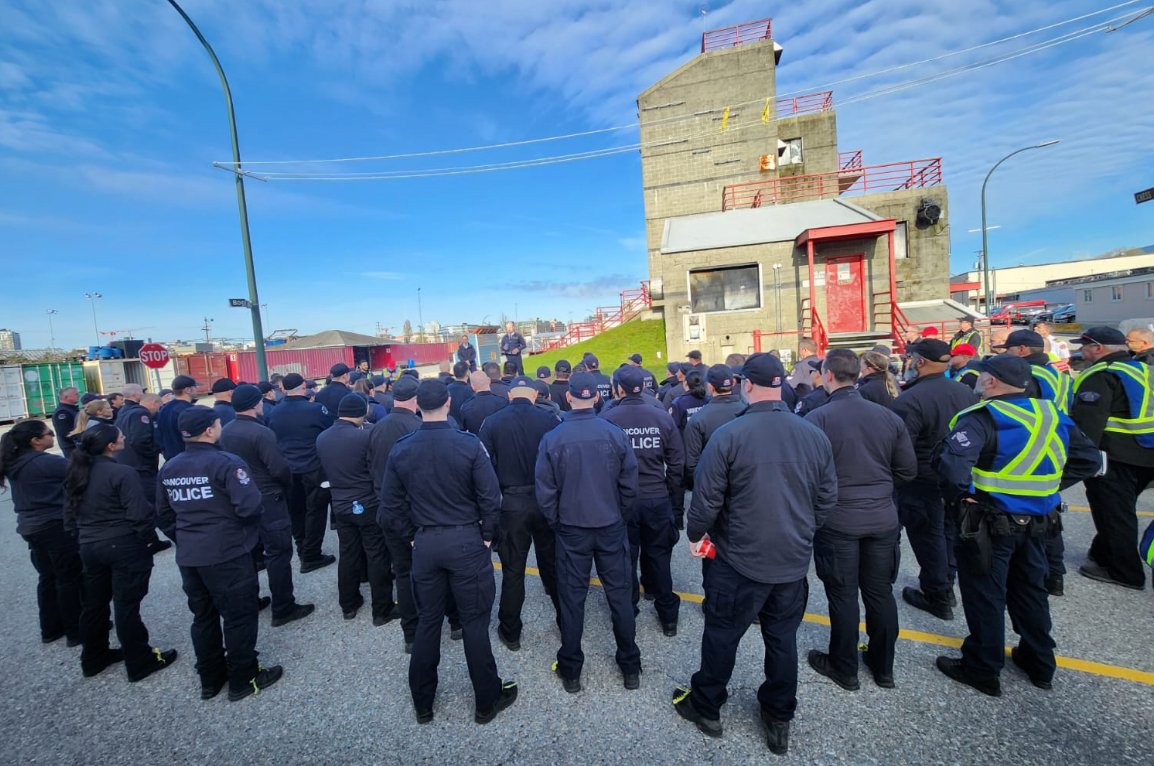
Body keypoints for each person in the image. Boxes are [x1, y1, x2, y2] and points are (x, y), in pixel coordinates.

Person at [674, 353, 836, 755]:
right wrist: (802, 531)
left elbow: (705, 500)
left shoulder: (729, 435)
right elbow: (827, 496)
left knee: (721, 634)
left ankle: (707, 705)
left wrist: (695, 534)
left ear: (746, 384)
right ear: (779, 384)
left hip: (738, 559)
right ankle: (779, 715)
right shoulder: (812, 433)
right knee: (782, 639)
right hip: (791, 560)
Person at [934, 355, 1100, 696]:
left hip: (989, 520)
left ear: (991, 381)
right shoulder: (1051, 413)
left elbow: (952, 469)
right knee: (1030, 589)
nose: (978, 379)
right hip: (1040, 520)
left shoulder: (982, 417)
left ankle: (982, 666)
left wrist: (963, 497)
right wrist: (1047, 486)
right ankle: (1039, 661)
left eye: (982, 375)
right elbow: (1089, 460)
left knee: (985, 593)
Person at [379, 380, 518, 725]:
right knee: (474, 622)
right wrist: (487, 537)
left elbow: (390, 507)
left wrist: (413, 537)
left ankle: (422, 703)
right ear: (449, 402)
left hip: (427, 543)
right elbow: (491, 498)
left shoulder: (403, 448)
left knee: (428, 620)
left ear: (416, 406)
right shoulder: (467, 444)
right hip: (465, 541)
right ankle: (486, 700)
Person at [804, 350, 917, 690]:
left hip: (838, 520)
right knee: (880, 593)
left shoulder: (817, 419)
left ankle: (845, 667)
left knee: (842, 594)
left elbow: (808, 476)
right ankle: (884, 667)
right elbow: (907, 470)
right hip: (882, 518)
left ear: (827, 375)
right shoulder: (888, 417)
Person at [157, 407, 283, 701]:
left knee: (203, 617)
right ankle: (244, 677)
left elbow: (162, 514)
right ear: (211, 430)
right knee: (239, 616)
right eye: (217, 424)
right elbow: (250, 507)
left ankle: (210, 678)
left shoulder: (171, 466)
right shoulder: (226, 463)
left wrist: (186, 536)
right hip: (226, 552)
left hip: (190, 555)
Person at [535, 372, 641, 693]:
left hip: (572, 529)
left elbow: (545, 491)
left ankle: (571, 671)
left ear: (569, 397)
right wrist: (617, 515)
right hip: (609, 526)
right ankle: (630, 666)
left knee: (571, 599)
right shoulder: (614, 434)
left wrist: (558, 521)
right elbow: (629, 485)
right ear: (596, 397)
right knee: (620, 596)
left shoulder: (553, 438)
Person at [63, 425, 176, 682]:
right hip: (122, 545)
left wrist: (79, 537)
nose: (124, 436)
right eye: (119, 436)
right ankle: (139, 661)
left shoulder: (76, 470)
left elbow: (69, 510)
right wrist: (149, 540)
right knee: (127, 607)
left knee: (94, 603)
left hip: (90, 546)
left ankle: (93, 657)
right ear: (110, 446)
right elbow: (139, 512)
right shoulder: (122, 472)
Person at [891, 338, 979, 620]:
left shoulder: (910, 399)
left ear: (919, 362)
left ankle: (936, 593)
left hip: (922, 480)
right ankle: (946, 585)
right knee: (949, 533)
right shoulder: (964, 392)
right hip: (956, 478)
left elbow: (899, 446)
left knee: (928, 537)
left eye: (910, 358)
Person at [218, 385, 314, 628]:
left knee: (250, 551)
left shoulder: (226, 431)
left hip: (240, 499)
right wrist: (287, 486)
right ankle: (284, 607)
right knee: (279, 553)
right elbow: (278, 467)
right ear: (254, 404)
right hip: (268, 498)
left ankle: (250, 599)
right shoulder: (261, 433)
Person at [478, 376, 562, 651]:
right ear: (535, 395)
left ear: (510, 395)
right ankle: (566, 621)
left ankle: (511, 631)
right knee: (552, 566)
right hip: (544, 501)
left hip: (511, 503)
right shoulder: (550, 420)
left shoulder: (492, 422)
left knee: (513, 570)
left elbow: (485, 471)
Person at [602, 366, 684, 636]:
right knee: (659, 556)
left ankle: (629, 608)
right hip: (656, 497)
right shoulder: (661, 416)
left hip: (623, 500)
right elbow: (676, 464)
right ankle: (667, 615)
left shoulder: (608, 418)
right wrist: (674, 503)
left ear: (618, 389)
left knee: (626, 557)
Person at [1070, 327, 1154, 590]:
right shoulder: (1141, 369)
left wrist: (1079, 461)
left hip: (1117, 456)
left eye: (1084, 346)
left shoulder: (1100, 376)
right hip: (1147, 452)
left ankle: (1125, 572)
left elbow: (1088, 426)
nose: (1081, 351)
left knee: (1115, 512)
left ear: (1098, 348)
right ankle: (1102, 552)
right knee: (1117, 510)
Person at [990, 329, 1073, 595]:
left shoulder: (1026, 377)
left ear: (1023, 350)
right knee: (1049, 514)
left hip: (1026, 449)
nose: (1006, 353)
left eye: (1009, 349)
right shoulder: (1057, 374)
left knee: (1034, 522)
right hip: (1055, 445)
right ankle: (1055, 575)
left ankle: (1040, 576)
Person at [316, 394, 399, 626]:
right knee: (376, 554)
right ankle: (381, 609)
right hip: (367, 503)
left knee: (349, 553)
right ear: (361, 412)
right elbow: (375, 468)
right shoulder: (364, 436)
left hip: (340, 504)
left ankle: (349, 603)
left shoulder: (322, 438)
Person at [0, 421, 83, 647]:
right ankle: (76, 629)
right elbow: (81, 476)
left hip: (31, 526)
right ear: (35, 440)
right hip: (53, 525)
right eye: (49, 434)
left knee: (48, 576)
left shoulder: (15, 461)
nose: (53, 437)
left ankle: (51, 627)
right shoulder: (46, 462)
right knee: (69, 578)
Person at [367, 375, 431, 652]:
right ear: (416, 400)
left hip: (388, 509)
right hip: (416, 512)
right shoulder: (418, 427)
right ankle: (445, 623)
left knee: (403, 572)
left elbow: (370, 465)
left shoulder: (377, 428)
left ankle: (412, 633)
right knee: (429, 571)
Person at [265, 373, 336, 574]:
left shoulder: (274, 412)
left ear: (284, 389)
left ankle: (302, 549)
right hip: (313, 468)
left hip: (288, 471)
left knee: (296, 512)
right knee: (316, 511)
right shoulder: (315, 409)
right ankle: (311, 555)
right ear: (304, 386)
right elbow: (330, 430)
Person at [156, 375, 198, 461]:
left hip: (170, 458)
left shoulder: (164, 409)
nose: (197, 389)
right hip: (188, 458)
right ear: (188, 390)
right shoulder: (189, 410)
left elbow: (158, 435)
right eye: (195, 387)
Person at [461, 370, 508, 435]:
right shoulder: (503, 402)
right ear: (489, 380)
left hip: (479, 443)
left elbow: (464, 429)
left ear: (472, 386)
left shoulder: (466, 407)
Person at [52, 387, 82, 459]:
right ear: (66, 397)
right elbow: (66, 433)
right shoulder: (62, 412)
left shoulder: (71, 409)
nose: (78, 395)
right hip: (72, 448)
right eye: (76, 394)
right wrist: (80, 442)